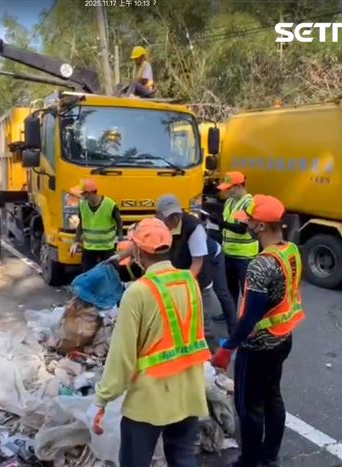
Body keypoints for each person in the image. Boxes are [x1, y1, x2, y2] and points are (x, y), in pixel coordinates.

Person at [88, 218, 211, 467]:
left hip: (150, 396)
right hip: (188, 389)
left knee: (135, 461)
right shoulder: (190, 282)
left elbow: (122, 356)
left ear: (137, 250)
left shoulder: (138, 292)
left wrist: (102, 400)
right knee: (183, 458)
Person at [210, 195, 305, 467]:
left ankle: (250, 461)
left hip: (259, 346)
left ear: (261, 227)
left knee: (248, 407)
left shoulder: (260, 265)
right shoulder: (290, 250)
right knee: (272, 395)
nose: (247, 225)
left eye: (250, 221)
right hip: (283, 337)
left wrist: (228, 348)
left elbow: (250, 316)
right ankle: (270, 455)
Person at [155, 194, 236, 352]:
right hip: (184, 267)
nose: (174, 219)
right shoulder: (156, 225)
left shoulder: (194, 227)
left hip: (209, 262)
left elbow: (197, 264)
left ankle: (219, 354)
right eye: (169, 216)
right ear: (158, 215)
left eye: (176, 215)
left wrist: (180, 286)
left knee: (206, 313)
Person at [215, 171, 259, 307]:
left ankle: (247, 318)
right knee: (230, 287)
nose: (227, 192)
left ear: (239, 186)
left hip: (244, 255)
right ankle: (230, 313)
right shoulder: (229, 202)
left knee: (246, 290)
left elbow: (241, 229)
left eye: (229, 188)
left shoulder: (249, 203)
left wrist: (220, 223)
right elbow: (226, 224)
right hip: (228, 252)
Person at [70, 179, 123, 272]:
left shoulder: (110, 204)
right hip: (89, 248)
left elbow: (119, 221)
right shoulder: (82, 204)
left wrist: (120, 239)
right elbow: (81, 224)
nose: (81, 196)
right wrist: (76, 241)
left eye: (83, 193)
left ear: (90, 193)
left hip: (107, 248)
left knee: (110, 273)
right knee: (87, 274)